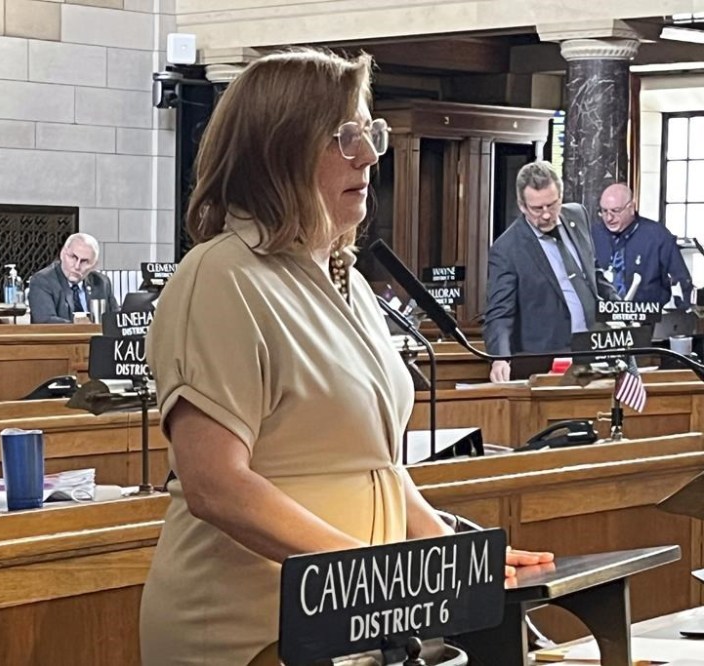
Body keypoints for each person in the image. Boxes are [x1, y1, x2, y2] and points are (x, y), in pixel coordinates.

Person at [139, 49, 552, 665]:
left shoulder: (346, 278)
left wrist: (453, 563)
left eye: (371, 133)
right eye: (346, 136)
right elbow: (215, 484)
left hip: (357, 620)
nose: (370, 154)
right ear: (279, 148)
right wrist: (380, 574)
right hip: (250, 625)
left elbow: (373, 463)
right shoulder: (221, 276)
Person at [484, 161, 616, 383]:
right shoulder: (507, 249)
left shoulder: (577, 215)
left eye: (552, 205)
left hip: (596, 348)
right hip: (549, 358)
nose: (546, 215)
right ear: (522, 206)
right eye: (537, 208)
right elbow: (499, 313)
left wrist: (621, 310)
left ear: (561, 197)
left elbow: (592, 271)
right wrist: (500, 358)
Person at [592, 183, 692, 306]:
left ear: (631, 207)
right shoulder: (592, 235)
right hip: (601, 317)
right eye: (604, 211)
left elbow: (681, 281)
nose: (609, 218)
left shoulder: (657, 236)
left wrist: (682, 317)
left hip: (650, 318)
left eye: (615, 211)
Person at [27, 233, 119, 323]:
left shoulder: (102, 282)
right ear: (62, 254)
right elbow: (45, 321)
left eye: (84, 261)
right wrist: (81, 326)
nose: (77, 266)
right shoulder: (42, 281)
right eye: (73, 257)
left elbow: (117, 319)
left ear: (94, 265)